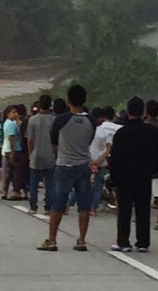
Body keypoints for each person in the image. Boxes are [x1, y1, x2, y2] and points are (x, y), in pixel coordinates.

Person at [37, 85, 96, 252]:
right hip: (83, 165)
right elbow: (89, 141)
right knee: (84, 205)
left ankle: (52, 240)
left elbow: (54, 141)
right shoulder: (91, 120)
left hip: (64, 165)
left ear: (68, 100)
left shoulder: (61, 120)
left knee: (58, 204)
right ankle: (82, 240)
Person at [108, 97, 158, 253]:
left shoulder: (121, 133)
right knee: (143, 209)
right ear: (143, 112)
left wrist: (113, 178)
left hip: (124, 177)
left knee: (124, 210)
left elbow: (114, 158)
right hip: (144, 176)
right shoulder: (153, 132)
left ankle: (123, 242)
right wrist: (153, 168)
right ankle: (143, 242)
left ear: (128, 112)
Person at [89, 106, 122, 216]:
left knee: (83, 183)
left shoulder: (90, 129)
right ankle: (93, 209)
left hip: (89, 161)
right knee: (98, 185)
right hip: (104, 161)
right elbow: (108, 149)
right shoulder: (117, 128)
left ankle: (69, 205)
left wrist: (91, 162)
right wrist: (99, 162)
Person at [26, 95, 56, 215]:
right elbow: (56, 139)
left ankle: (33, 207)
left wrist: (30, 154)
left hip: (36, 155)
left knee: (33, 183)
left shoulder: (32, 120)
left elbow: (30, 140)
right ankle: (48, 207)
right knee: (50, 183)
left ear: (38, 105)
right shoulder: (54, 120)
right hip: (49, 154)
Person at [1, 105, 23, 200]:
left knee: (10, 172)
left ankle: (5, 191)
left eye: (16, 112)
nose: (15, 114)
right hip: (12, 149)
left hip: (9, 149)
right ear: (7, 114)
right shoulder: (10, 124)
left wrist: (17, 120)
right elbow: (11, 138)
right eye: (12, 112)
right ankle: (15, 191)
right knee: (15, 172)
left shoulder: (12, 123)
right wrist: (13, 151)